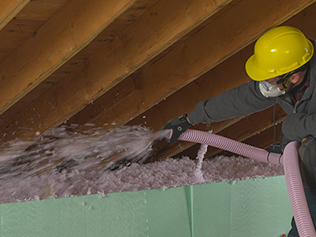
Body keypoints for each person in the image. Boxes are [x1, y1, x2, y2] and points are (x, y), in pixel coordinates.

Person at [162, 26, 316, 236]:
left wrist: (294, 126)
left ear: (294, 77)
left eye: (269, 79)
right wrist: (190, 119)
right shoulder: (284, 78)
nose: (264, 85)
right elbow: (239, 100)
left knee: (309, 153)